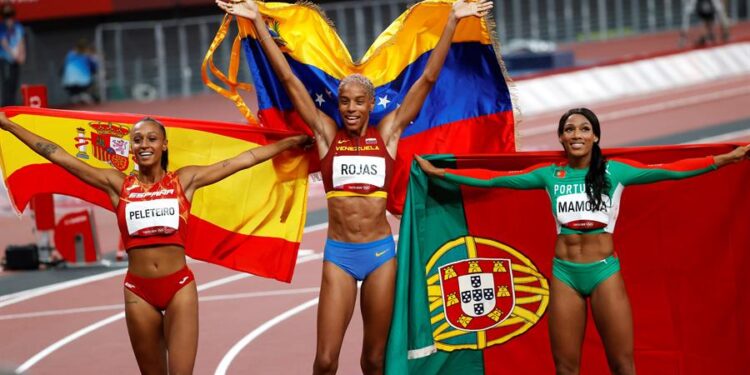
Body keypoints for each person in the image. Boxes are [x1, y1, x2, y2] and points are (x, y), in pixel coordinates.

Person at [216, 0, 493, 373]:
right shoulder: (326, 135)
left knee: (375, 360)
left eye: (358, 102)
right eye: (344, 101)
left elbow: (427, 80)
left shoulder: (389, 134)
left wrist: (453, 22)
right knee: (326, 360)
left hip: (380, 256)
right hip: (339, 258)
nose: (350, 108)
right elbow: (289, 81)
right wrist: (257, 24)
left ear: (369, 106)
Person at [416, 107, 749, 375]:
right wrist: (442, 174)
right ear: (561, 138)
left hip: (604, 273)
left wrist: (726, 159)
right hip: (564, 275)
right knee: (565, 367)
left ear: (596, 136)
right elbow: (494, 181)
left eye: (584, 129)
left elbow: (672, 170)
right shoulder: (549, 175)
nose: (577, 134)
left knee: (623, 365)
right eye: (570, 129)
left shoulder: (616, 172)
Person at [0, 112, 310, 374]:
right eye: (138, 140)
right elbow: (57, 154)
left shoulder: (184, 180)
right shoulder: (116, 184)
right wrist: (9, 125)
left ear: (164, 145)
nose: (144, 144)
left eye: (151, 139)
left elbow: (244, 159)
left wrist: (290, 143)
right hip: (139, 292)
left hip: (179, 288)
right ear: (130, 149)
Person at [61, 38, 99, 105]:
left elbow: (64, 67)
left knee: (76, 95)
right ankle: (82, 98)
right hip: (83, 82)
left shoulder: (70, 55)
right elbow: (94, 67)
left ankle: (78, 98)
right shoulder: (87, 56)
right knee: (83, 92)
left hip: (69, 82)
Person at [0, 5, 24, 107]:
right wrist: (12, 54)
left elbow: (21, 41)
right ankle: (6, 106)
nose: (8, 19)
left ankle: (12, 106)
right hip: (5, 58)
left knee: (14, 82)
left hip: (16, 59)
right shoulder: (1, 27)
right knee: (7, 82)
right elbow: (3, 42)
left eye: (10, 16)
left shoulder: (18, 26)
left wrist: (22, 55)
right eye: (6, 16)